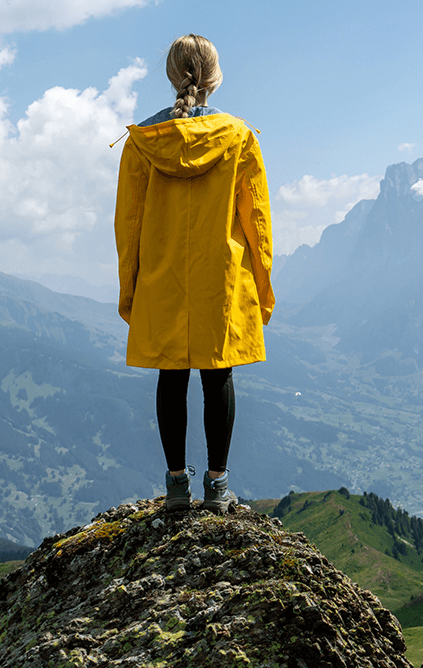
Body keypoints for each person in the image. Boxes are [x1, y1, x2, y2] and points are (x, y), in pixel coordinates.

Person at [114, 34, 274, 513]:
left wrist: (130, 288)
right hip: (220, 277)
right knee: (217, 374)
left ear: (172, 76)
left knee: (171, 374)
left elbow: (128, 223)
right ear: (215, 78)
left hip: (162, 274)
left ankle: (177, 487)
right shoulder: (239, 137)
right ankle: (218, 486)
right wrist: (262, 288)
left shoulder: (142, 143)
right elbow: (257, 223)